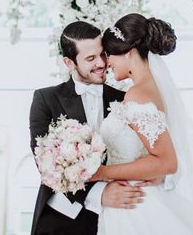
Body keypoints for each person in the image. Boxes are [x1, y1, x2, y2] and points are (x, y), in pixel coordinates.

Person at [91, 13, 193, 234]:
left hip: (135, 206)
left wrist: (102, 172)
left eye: (110, 54)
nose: (107, 63)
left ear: (128, 52)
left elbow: (167, 162)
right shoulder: (150, 90)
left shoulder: (138, 95)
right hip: (133, 198)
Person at [28, 21, 148, 235]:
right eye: (90, 58)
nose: (101, 63)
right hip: (61, 220)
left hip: (118, 218)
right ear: (69, 62)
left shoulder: (125, 99)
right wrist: (99, 193)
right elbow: (45, 164)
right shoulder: (45, 99)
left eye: (103, 54)